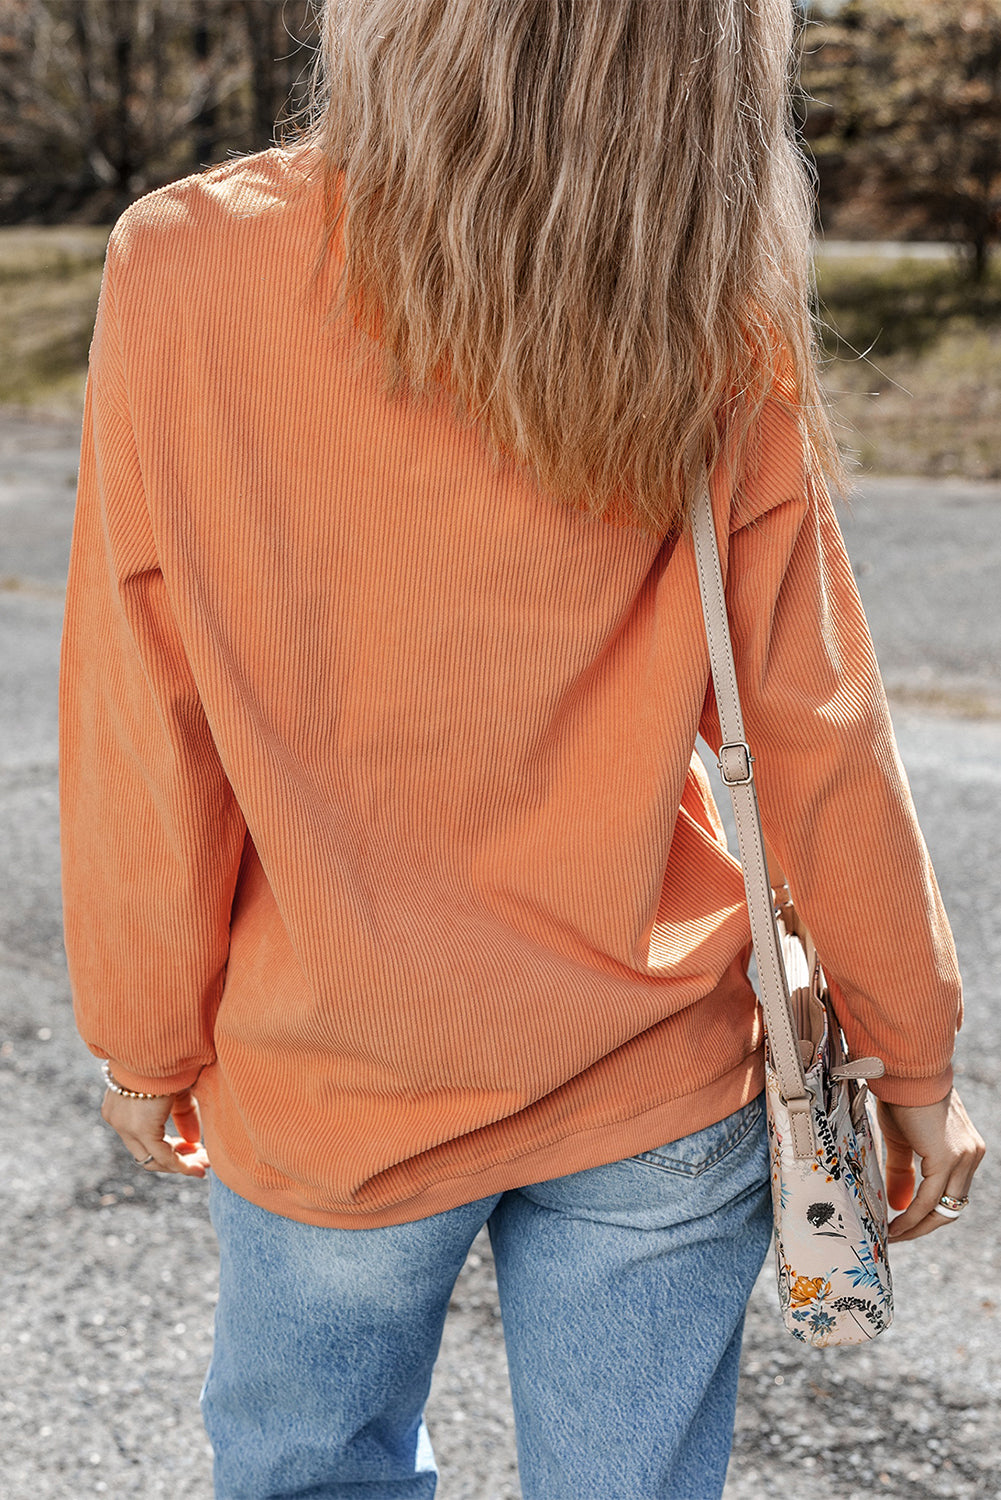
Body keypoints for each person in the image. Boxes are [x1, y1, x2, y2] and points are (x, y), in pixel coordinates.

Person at [59, 2, 985, 1497]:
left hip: (335, 1071)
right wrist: (911, 1047)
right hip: (653, 1066)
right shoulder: (704, 304)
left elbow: (144, 700)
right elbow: (813, 718)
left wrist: (145, 1028)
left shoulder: (187, 262)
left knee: (312, 1474)